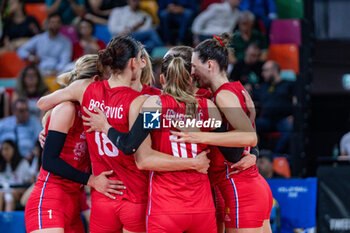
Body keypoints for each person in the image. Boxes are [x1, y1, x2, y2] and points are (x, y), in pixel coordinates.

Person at [37, 36, 211, 232]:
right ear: (136, 62)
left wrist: (49, 124)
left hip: (104, 195)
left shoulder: (84, 89)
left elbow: (43, 103)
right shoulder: (150, 100)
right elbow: (139, 149)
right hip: (138, 196)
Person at [171, 33, 273, 233]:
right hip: (247, 184)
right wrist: (253, 150)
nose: (192, 72)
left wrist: (200, 136)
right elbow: (248, 136)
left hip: (238, 186)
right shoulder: (230, 90)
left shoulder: (223, 96)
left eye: (193, 66)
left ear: (209, 65)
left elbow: (248, 137)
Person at [25, 55, 124, 233]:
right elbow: (49, 161)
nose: (110, 86)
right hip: (50, 197)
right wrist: (91, 180)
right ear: (95, 80)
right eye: (108, 80)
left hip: (73, 201)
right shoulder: (68, 109)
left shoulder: (99, 114)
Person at [253, 61, 295, 154]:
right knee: (250, 127)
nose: (263, 74)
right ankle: (258, 155)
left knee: (290, 130)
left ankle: (276, 156)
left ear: (275, 70)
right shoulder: (263, 87)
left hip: (283, 119)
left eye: (266, 71)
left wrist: (294, 115)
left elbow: (297, 101)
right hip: (267, 120)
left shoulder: (289, 85)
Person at [0, 140, 33, 212]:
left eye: (7, 149)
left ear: (14, 149)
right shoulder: (1, 165)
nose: (4, 152)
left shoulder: (23, 163)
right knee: (3, 195)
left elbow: (28, 182)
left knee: (8, 196)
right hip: (3, 191)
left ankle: (8, 220)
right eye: (2, 149)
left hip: (18, 191)